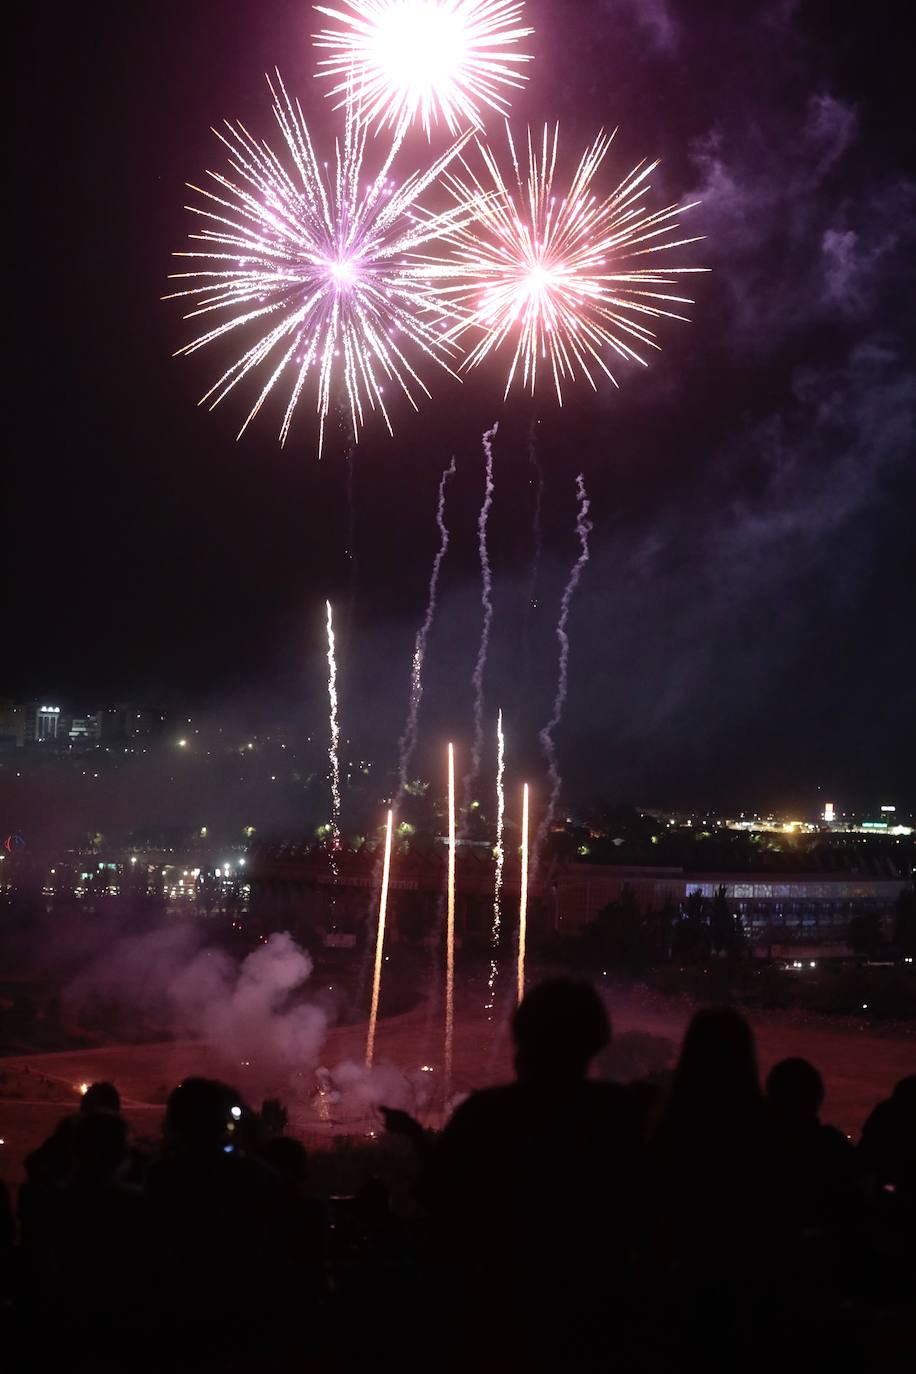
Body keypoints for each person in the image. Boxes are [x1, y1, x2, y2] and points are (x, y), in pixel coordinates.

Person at [420, 980, 646, 1372]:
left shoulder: (484, 1115)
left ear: (522, 1035)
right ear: (596, 1037)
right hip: (598, 1317)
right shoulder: (622, 1115)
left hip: (497, 1315)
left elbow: (436, 1204)